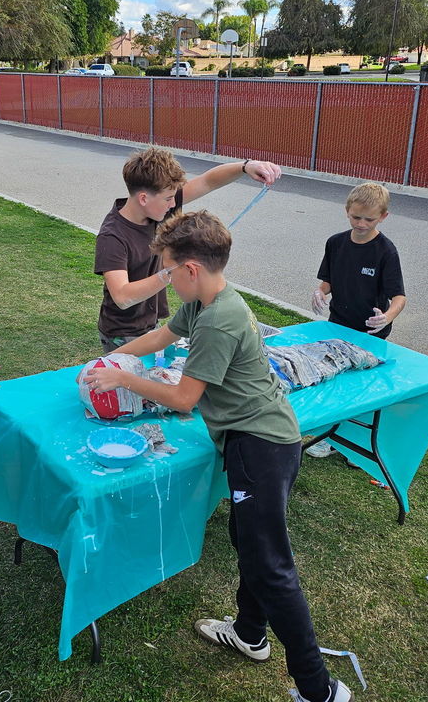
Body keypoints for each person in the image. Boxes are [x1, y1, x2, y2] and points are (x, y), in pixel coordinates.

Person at [85, 211, 352, 702]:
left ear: (190, 269)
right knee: (249, 541)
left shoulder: (220, 321)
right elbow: (160, 338)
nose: (164, 280)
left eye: (167, 270)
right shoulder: (205, 302)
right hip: (256, 439)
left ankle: (320, 690)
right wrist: (110, 361)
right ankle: (251, 634)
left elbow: (184, 399)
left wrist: (123, 380)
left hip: (261, 445)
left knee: (271, 565)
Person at [94, 147, 282, 352]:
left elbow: (208, 181)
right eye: (168, 199)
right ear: (143, 198)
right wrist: (170, 273)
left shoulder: (159, 205)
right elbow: (122, 297)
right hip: (122, 331)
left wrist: (246, 167)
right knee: (127, 380)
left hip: (151, 322)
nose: (174, 204)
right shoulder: (112, 236)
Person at [307, 181, 405, 459]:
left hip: (370, 333)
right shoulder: (336, 243)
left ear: (383, 217)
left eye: (369, 219)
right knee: (333, 381)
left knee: (361, 388)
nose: (361, 223)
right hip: (337, 324)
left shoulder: (386, 251)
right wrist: (319, 292)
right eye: (356, 217)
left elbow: (399, 297)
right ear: (347, 211)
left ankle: (355, 441)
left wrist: (386, 317)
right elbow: (328, 281)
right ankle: (328, 435)